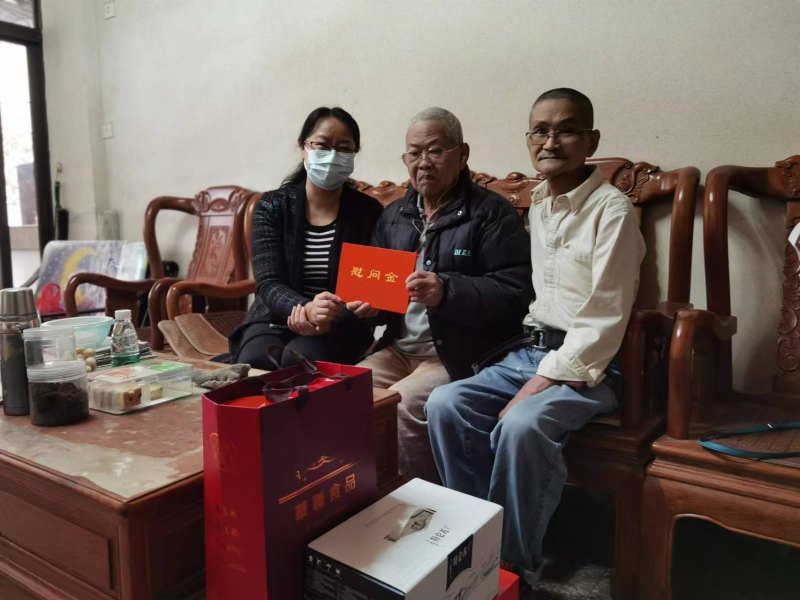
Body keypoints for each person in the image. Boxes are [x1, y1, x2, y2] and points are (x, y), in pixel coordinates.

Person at [426, 89, 646, 595]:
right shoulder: (540, 203)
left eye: (566, 130)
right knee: (445, 404)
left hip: (592, 363)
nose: (551, 141)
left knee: (522, 425)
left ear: (591, 141)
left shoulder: (612, 211)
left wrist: (542, 380)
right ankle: (474, 541)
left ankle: (512, 569)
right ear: (528, 140)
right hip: (529, 351)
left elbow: (606, 316)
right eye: (540, 131)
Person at [357, 107, 532, 484]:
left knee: (400, 405)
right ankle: (360, 501)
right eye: (414, 153)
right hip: (399, 349)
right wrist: (369, 306)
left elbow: (515, 293)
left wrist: (446, 290)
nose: (423, 163)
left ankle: (415, 508)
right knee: (346, 395)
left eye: (435, 151)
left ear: (462, 154)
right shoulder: (394, 215)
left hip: (457, 353)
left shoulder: (491, 213)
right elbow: (379, 290)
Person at [229, 107, 383, 369]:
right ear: (303, 148)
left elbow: (370, 289)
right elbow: (268, 283)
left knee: (299, 362)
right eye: (322, 145)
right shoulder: (272, 206)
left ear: (354, 154)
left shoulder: (368, 212)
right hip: (274, 317)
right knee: (256, 361)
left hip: (340, 325)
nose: (332, 155)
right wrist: (306, 308)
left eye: (344, 148)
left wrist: (330, 319)